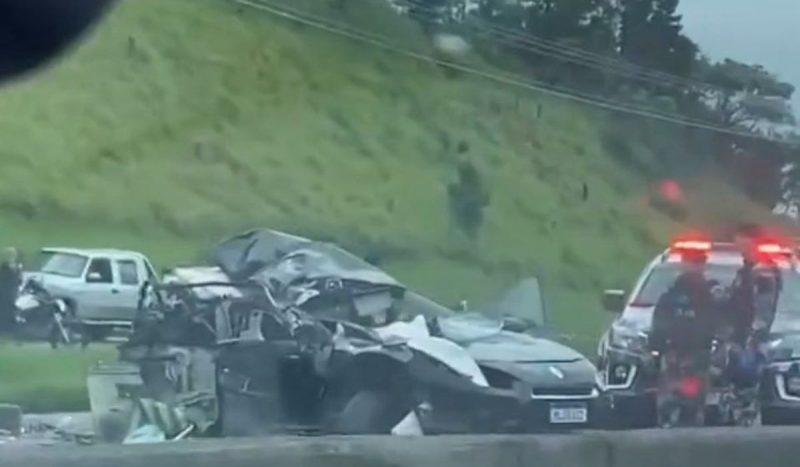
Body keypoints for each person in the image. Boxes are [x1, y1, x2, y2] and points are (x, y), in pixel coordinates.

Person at [0, 247, 22, 335]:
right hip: (5, 291)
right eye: (10, 255)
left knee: (12, 308)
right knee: (4, 308)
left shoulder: (17, 266)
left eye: (13, 255)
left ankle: (9, 328)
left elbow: (19, 279)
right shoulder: (4, 267)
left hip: (13, 291)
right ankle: (3, 328)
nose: (12, 256)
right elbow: (4, 279)